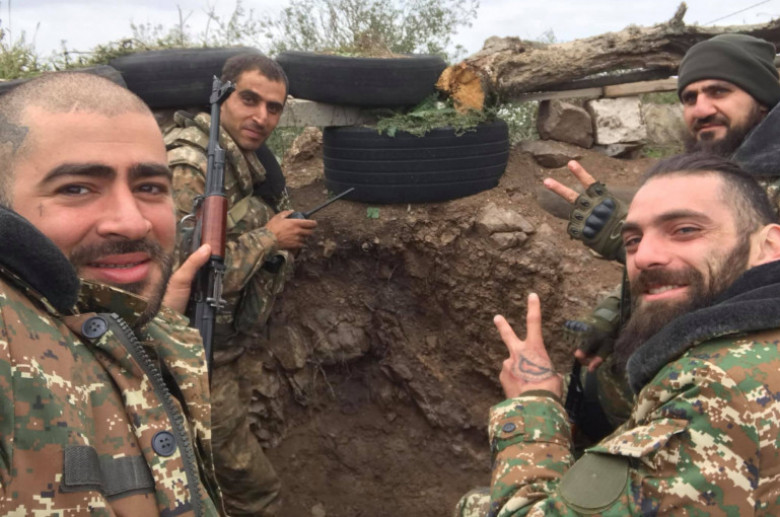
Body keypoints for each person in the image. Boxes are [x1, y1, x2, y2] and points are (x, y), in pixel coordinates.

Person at [487, 153, 780, 515]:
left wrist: (533, 403)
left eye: (685, 230)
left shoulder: (714, 388)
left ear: (769, 246)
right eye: (632, 241)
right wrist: (612, 315)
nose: (643, 257)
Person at [0, 72, 222, 515]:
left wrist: (150, 324)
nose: (132, 222)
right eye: (77, 188)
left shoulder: (156, 330)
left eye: (149, 187)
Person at [550, 33, 780, 440]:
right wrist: (611, 316)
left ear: (762, 99)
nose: (701, 109)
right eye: (689, 97)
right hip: (652, 388)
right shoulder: (720, 166)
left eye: (719, 92)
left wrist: (625, 239)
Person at [166, 53, 316, 516]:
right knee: (256, 490)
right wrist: (270, 237)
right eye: (249, 100)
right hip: (192, 355)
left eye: (273, 108)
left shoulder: (240, 158)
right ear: (221, 97)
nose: (261, 117)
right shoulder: (190, 166)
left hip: (226, 347)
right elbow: (186, 275)